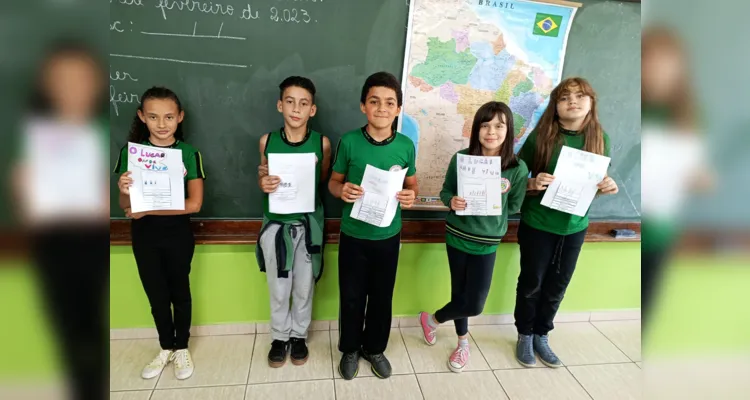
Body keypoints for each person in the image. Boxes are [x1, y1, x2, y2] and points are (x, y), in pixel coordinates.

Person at [514, 77, 618, 368]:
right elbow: (517, 179)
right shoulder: (541, 137)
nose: (573, 101)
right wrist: (533, 182)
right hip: (538, 222)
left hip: (574, 226)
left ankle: (542, 334)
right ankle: (524, 333)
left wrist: (605, 186)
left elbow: (591, 189)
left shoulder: (601, 139)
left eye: (580, 95)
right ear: (555, 106)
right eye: (564, 97)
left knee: (558, 283)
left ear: (591, 102)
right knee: (532, 282)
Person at [418, 101, 528, 373]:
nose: (491, 132)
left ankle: (431, 320)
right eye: (485, 125)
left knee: (474, 303)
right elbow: (445, 192)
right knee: (459, 293)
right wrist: (452, 201)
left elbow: (514, 206)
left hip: (487, 242)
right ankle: (462, 343)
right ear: (477, 129)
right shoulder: (462, 158)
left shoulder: (517, 169)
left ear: (508, 131)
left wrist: (494, 199)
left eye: (499, 126)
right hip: (457, 236)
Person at [328, 71, 418, 380]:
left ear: (398, 109)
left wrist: (410, 196)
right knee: (352, 296)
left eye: (389, 102)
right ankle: (351, 348)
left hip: (388, 236)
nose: (381, 108)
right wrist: (342, 191)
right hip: (354, 235)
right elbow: (334, 182)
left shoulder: (406, 146)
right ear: (363, 106)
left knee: (382, 296)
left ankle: (375, 348)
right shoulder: (350, 141)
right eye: (374, 101)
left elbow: (413, 185)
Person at [114, 86, 206, 380]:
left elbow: (195, 203)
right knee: (156, 293)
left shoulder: (189, 153)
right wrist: (123, 191)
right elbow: (126, 206)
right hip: (144, 236)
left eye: (169, 117)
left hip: (178, 234)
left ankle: (182, 347)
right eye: (153, 117)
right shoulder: (132, 154)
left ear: (180, 117)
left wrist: (148, 210)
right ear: (142, 117)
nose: (162, 124)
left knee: (180, 290)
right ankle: (165, 345)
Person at [256, 76, 331, 367]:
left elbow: (320, 181)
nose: (296, 109)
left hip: (308, 226)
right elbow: (262, 177)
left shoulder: (321, 143)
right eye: (290, 101)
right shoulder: (268, 141)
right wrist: (263, 182)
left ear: (312, 109)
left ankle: (298, 335)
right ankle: (279, 337)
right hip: (276, 226)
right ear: (280, 105)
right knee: (278, 286)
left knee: (304, 285)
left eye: (303, 103)